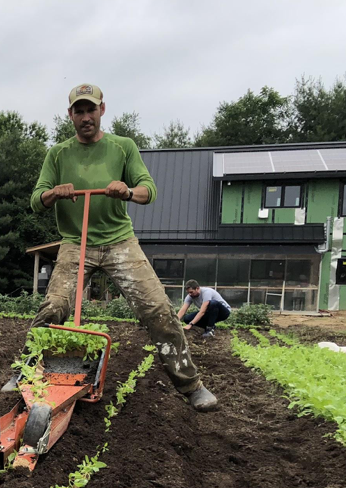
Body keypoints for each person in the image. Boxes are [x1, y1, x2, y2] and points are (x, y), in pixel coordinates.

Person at [30, 83, 217, 411]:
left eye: (91, 110)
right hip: (77, 243)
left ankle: (191, 386)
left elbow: (149, 190)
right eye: (79, 111)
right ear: (70, 115)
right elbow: (36, 200)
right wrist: (53, 193)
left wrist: (127, 191)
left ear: (102, 110)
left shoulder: (123, 147)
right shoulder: (57, 154)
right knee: (53, 308)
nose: (86, 117)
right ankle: (29, 374)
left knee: (158, 311)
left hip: (119, 242)